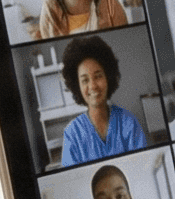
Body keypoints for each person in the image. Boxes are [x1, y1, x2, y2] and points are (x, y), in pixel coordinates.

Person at [55, 34, 144, 164]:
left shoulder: (128, 123)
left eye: (98, 76)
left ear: (108, 77)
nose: (92, 86)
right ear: (77, 86)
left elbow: (142, 167)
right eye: (85, 80)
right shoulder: (73, 135)